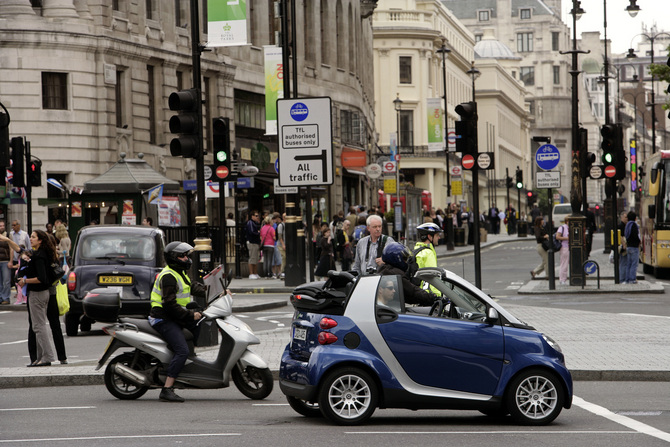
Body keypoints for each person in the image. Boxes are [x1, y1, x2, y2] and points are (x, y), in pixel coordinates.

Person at [149, 241, 206, 402]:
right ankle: (167, 388)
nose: (187, 258)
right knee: (182, 351)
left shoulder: (179, 273)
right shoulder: (168, 276)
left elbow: (193, 287)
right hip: (163, 318)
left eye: (187, 255)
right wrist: (190, 315)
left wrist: (217, 292)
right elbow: (169, 305)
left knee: (198, 324)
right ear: (174, 258)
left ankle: (184, 365)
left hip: (173, 316)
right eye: (183, 255)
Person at [18, 230, 57, 367]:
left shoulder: (39, 256)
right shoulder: (40, 254)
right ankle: (40, 358)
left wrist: (25, 281)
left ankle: (47, 356)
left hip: (38, 294)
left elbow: (41, 278)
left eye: (34, 237)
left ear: (40, 240)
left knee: (39, 326)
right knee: (38, 326)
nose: (31, 239)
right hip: (42, 294)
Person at [413, 223, 441, 293]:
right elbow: (433, 278)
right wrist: (437, 295)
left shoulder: (417, 249)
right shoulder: (428, 253)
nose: (439, 237)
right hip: (428, 295)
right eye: (437, 235)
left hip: (419, 293)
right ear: (429, 237)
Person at [9, 220, 31, 284]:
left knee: (20, 275)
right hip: (14, 258)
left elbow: (29, 246)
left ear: (19, 225)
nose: (13, 227)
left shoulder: (24, 234)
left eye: (14, 225)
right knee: (13, 277)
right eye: (12, 225)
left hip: (22, 258)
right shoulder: (11, 234)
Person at [622, 211, 640, 284]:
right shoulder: (634, 225)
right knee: (634, 264)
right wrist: (639, 241)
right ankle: (632, 279)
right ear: (635, 218)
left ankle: (627, 279)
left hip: (628, 246)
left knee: (628, 263)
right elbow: (635, 235)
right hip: (634, 246)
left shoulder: (627, 225)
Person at [246, 211, 261, 279]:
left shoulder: (254, 223)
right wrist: (258, 233)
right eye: (256, 215)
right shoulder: (250, 223)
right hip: (252, 242)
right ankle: (251, 273)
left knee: (255, 258)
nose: (257, 217)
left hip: (255, 242)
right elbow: (252, 232)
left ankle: (255, 273)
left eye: (258, 215)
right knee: (252, 258)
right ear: (252, 216)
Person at [555, 219, 570, 285]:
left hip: (569, 246)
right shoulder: (562, 227)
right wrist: (567, 238)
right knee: (564, 263)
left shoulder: (570, 228)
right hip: (564, 247)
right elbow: (557, 237)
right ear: (567, 221)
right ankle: (562, 279)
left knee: (566, 263)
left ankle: (564, 279)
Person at [0, 221, 11, 304]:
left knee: (6, 281)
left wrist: (10, 261)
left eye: (3, 225)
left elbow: (11, 249)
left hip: (5, 261)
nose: (2, 227)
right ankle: (0, 297)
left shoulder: (7, 235)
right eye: (0, 226)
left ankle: (6, 298)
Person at [618, 211, 628, 282]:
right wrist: (624, 245)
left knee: (624, 263)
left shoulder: (625, 225)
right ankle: (622, 279)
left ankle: (623, 278)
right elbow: (620, 236)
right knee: (623, 263)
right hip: (622, 247)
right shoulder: (621, 226)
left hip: (623, 246)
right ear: (621, 217)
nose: (627, 218)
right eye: (625, 217)